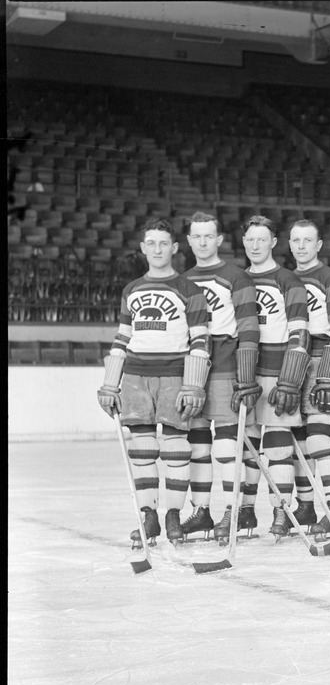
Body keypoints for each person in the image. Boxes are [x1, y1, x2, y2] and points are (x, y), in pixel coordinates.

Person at [96, 217, 211, 548]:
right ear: (143, 248)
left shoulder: (190, 290)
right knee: (142, 448)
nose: (158, 249)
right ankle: (150, 516)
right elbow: (122, 337)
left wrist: (194, 384)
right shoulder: (131, 290)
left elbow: (200, 341)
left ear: (174, 248)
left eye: (164, 243)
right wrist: (110, 384)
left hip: (175, 374)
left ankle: (173, 514)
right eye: (152, 243)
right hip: (135, 375)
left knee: (176, 448)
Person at [179, 211, 261, 542]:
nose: (202, 242)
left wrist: (246, 374)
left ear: (219, 240)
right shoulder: (181, 280)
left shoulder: (235, 276)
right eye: (196, 236)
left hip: (226, 368)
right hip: (193, 373)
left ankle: (232, 511)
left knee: (227, 447)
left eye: (208, 236)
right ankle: (201, 512)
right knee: (197, 447)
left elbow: (249, 327)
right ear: (188, 241)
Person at [240, 215, 311, 537]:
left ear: (273, 243)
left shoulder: (288, 280)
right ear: (244, 243)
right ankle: (245, 512)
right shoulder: (238, 280)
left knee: (279, 446)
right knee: (247, 445)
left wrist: (290, 379)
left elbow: (300, 331)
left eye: (261, 239)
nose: (256, 246)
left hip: (278, 370)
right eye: (250, 240)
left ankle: (282, 511)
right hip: (245, 371)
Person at [285, 219, 330, 538]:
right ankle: (305, 505)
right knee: (296, 441)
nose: (301, 246)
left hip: (319, 360)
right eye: (296, 240)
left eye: (307, 240)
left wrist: (329, 373)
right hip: (288, 362)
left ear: (319, 245)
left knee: (319, 438)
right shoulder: (283, 280)